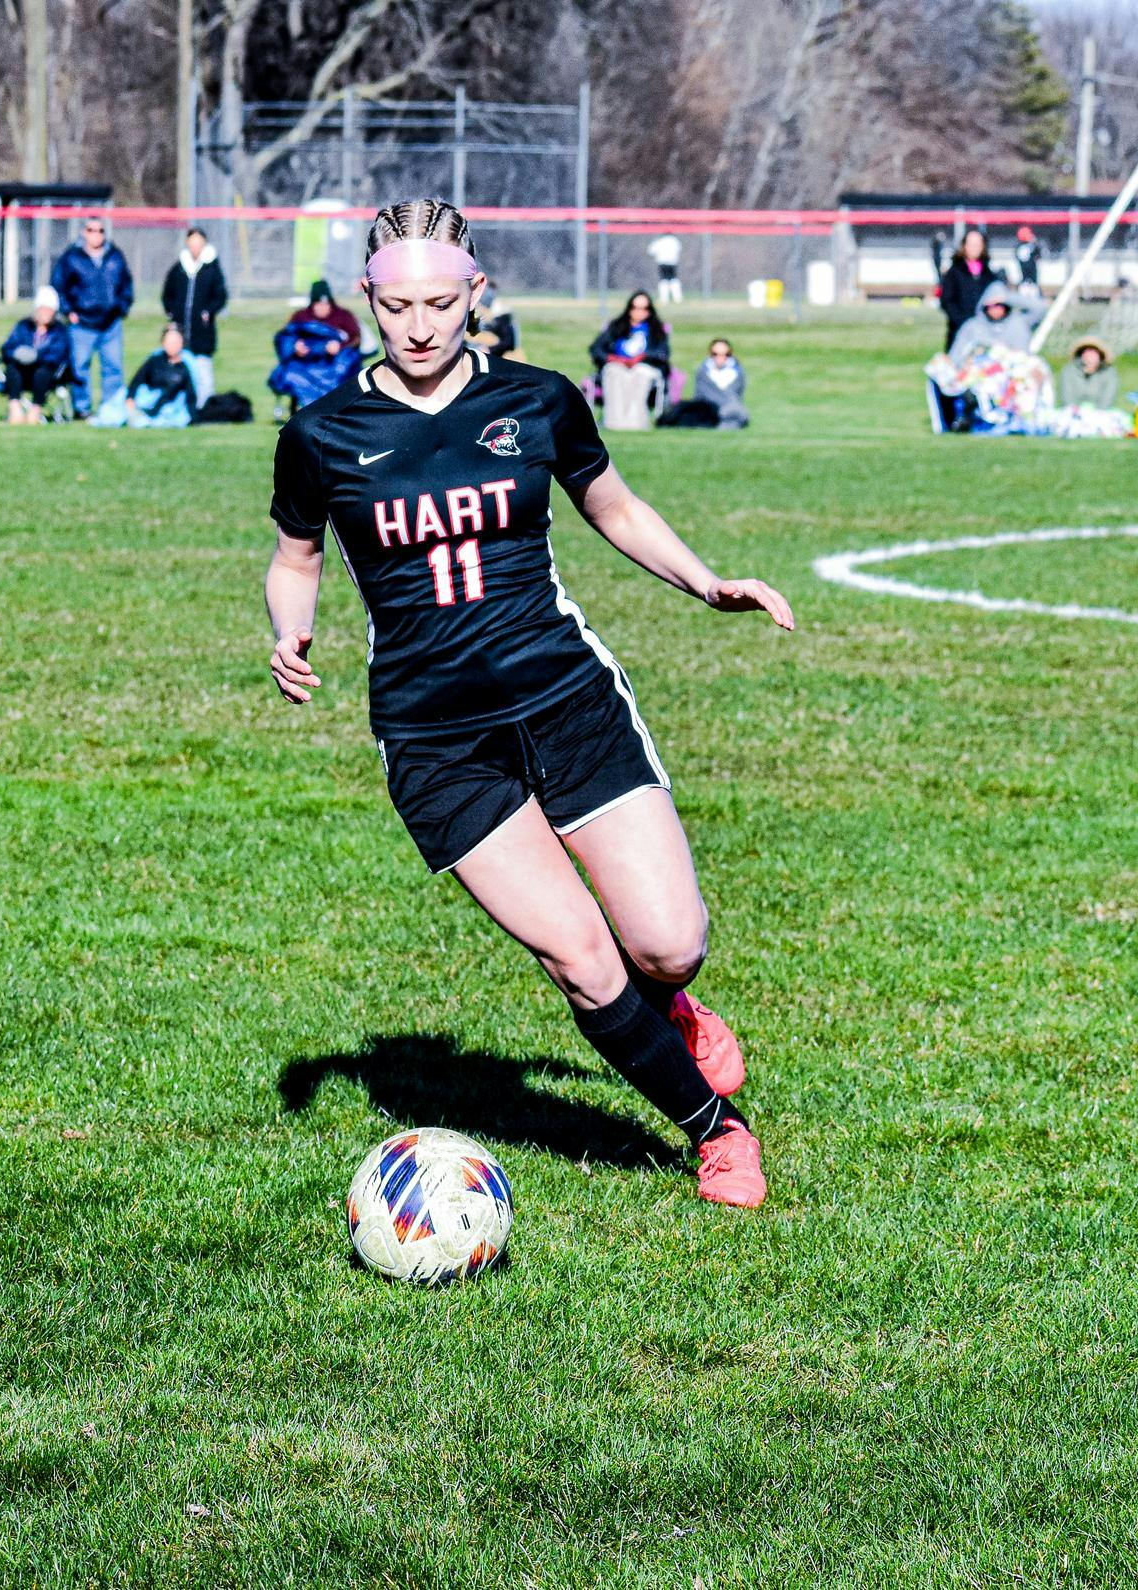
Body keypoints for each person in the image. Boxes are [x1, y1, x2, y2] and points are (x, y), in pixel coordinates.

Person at [265, 197, 794, 1208]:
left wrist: (706, 582)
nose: (417, 327)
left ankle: (670, 1004)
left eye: (438, 302)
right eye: (394, 306)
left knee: (666, 946)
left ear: (475, 293)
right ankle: (715, 1132)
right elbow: (293, 560)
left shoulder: (540, 400)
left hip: (564, 700)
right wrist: (289, 624)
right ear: (366, 300)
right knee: (580, 959)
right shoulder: (323, 433)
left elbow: (614, 507)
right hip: (433, 739)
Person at [52, 216, 134, 420]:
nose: (96, 235)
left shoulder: (115, 256)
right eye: (91, 230)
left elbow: (126, 284)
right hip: (82, 323)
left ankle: (111, 408)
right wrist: (67, 310)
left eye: (100, 231)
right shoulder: (72, 257)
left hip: (110, 323)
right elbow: (58, 285)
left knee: (113, 367)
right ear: (84, 232)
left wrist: (122, 307)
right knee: (80, 367)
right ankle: (82, 409)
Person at [268, 280, 364, 419]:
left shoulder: (343, 316)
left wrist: (340, 347)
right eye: (318, 304)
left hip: (333, 365)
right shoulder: (301, 317)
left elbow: (356, 338)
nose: (322, 308)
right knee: (290, 373)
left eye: (326, 304)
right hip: (306, 365)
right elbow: (286, 338)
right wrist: (295, 347)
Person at [161, 227, 228, 407]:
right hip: (181, 330)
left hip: (202, 333)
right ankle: (183, 405)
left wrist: (208, 312)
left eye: (199, 243)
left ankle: (205, 406)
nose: (195, 247)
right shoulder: (179, 268)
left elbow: (220, 296)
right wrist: (172, 312)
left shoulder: (211, 268)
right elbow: (168, 293)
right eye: (192, 243)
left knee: (203, 372)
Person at [589, 292, 672, 431]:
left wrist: (642, 357)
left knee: (639, 374)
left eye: (644, 308)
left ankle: (636, 423)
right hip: (617, 364)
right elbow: (596, 348)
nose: (639, 312)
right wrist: (612, 358)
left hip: (645, 366)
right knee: (613, 372)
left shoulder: (657, 329)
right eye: (635, 307)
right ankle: (613, 422)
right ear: (629, 308)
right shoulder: (616, 326)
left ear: (650, 310)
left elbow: (662, 352)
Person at [0, 285, 71, 423]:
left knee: (42, 372)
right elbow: (7, 348)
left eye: (49, 310)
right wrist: (18, 354)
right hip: (23, 372)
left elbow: (59, 354)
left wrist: (37, 357)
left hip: (47, 375)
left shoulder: (59, 331)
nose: (45, 313)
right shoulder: (23, 327)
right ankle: (15, 409)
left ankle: (35, 410)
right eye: (43, 309)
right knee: (13, 368)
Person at [123, 323, 201, 427]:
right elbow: (137, 379)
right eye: (169, 342)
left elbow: (191, 395)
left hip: (169, 407)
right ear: (163, 343)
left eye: (175, 342)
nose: (172, 345)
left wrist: (193, 419)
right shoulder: (154, 361)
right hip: (148, 401)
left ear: (182, 343)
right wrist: (130, 397)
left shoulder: (184, 368)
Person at [947, 281, 1035, 364]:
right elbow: (954, 356)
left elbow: (1040, 308)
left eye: (999, 305)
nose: (995, 309)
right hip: (979, 374)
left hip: (1016, 374)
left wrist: (1008, 298)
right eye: (991, 305)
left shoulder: (1019, 322)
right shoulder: (971, 326)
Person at [938, 227, 997, 353]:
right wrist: (964, 322)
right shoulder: (954, 273)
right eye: (971, 244)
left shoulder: (989, 275)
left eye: (978, 245)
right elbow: (947, 301)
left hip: (985, 332)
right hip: (959, 331)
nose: (974, 248)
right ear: (964, 246)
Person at [690, 338, 749, 429]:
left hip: (732, 409)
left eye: (725, 354)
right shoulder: (702, 372)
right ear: (710, 354)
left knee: (737, 412)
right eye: (715, 354)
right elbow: (699, 396)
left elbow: (738, 396)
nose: (720, 358)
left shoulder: (738, 373)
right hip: (709, 411)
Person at [1057, 337, 1117, 410]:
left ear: (1100, 355)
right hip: (1073, 412)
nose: (1090, 356)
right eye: (1087, 352)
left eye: (1094, 353)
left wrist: (1097, 414)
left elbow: (1108, 398)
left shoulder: (1109, 373)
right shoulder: (1068, 371)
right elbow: (1067, 396)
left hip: (1100, 413)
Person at [646, 233, 683, 304]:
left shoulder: (660, 241)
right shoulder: (675, 241)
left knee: (663, 280)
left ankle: (664, 299)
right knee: (673, 279)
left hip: (662, 263)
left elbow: (650, 251)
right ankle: (678, 299)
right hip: (673, 262)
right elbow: (679, 249)